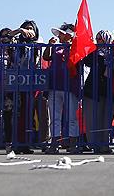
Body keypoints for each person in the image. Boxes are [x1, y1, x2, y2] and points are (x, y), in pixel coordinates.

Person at [43, 24, 81, 154]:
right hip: (55, 86)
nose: (59, 36)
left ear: (69, 35)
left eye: (61, 34)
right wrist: (49, 45)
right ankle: (55, 143)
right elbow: (46, 57)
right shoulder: (57, 47)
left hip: (70, 86)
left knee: (71, 117)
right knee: (55, 116)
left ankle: (73, 143)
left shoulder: (76, 46)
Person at [82, 30, 114, 154]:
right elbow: (86, 61)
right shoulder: (94, 52)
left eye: (100, 39)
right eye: (97, 39)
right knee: (92, 118)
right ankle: (94, 145)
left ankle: (104, 144)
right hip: (93, 89)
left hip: (109, 90)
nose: (98, 41)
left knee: (106, 119)